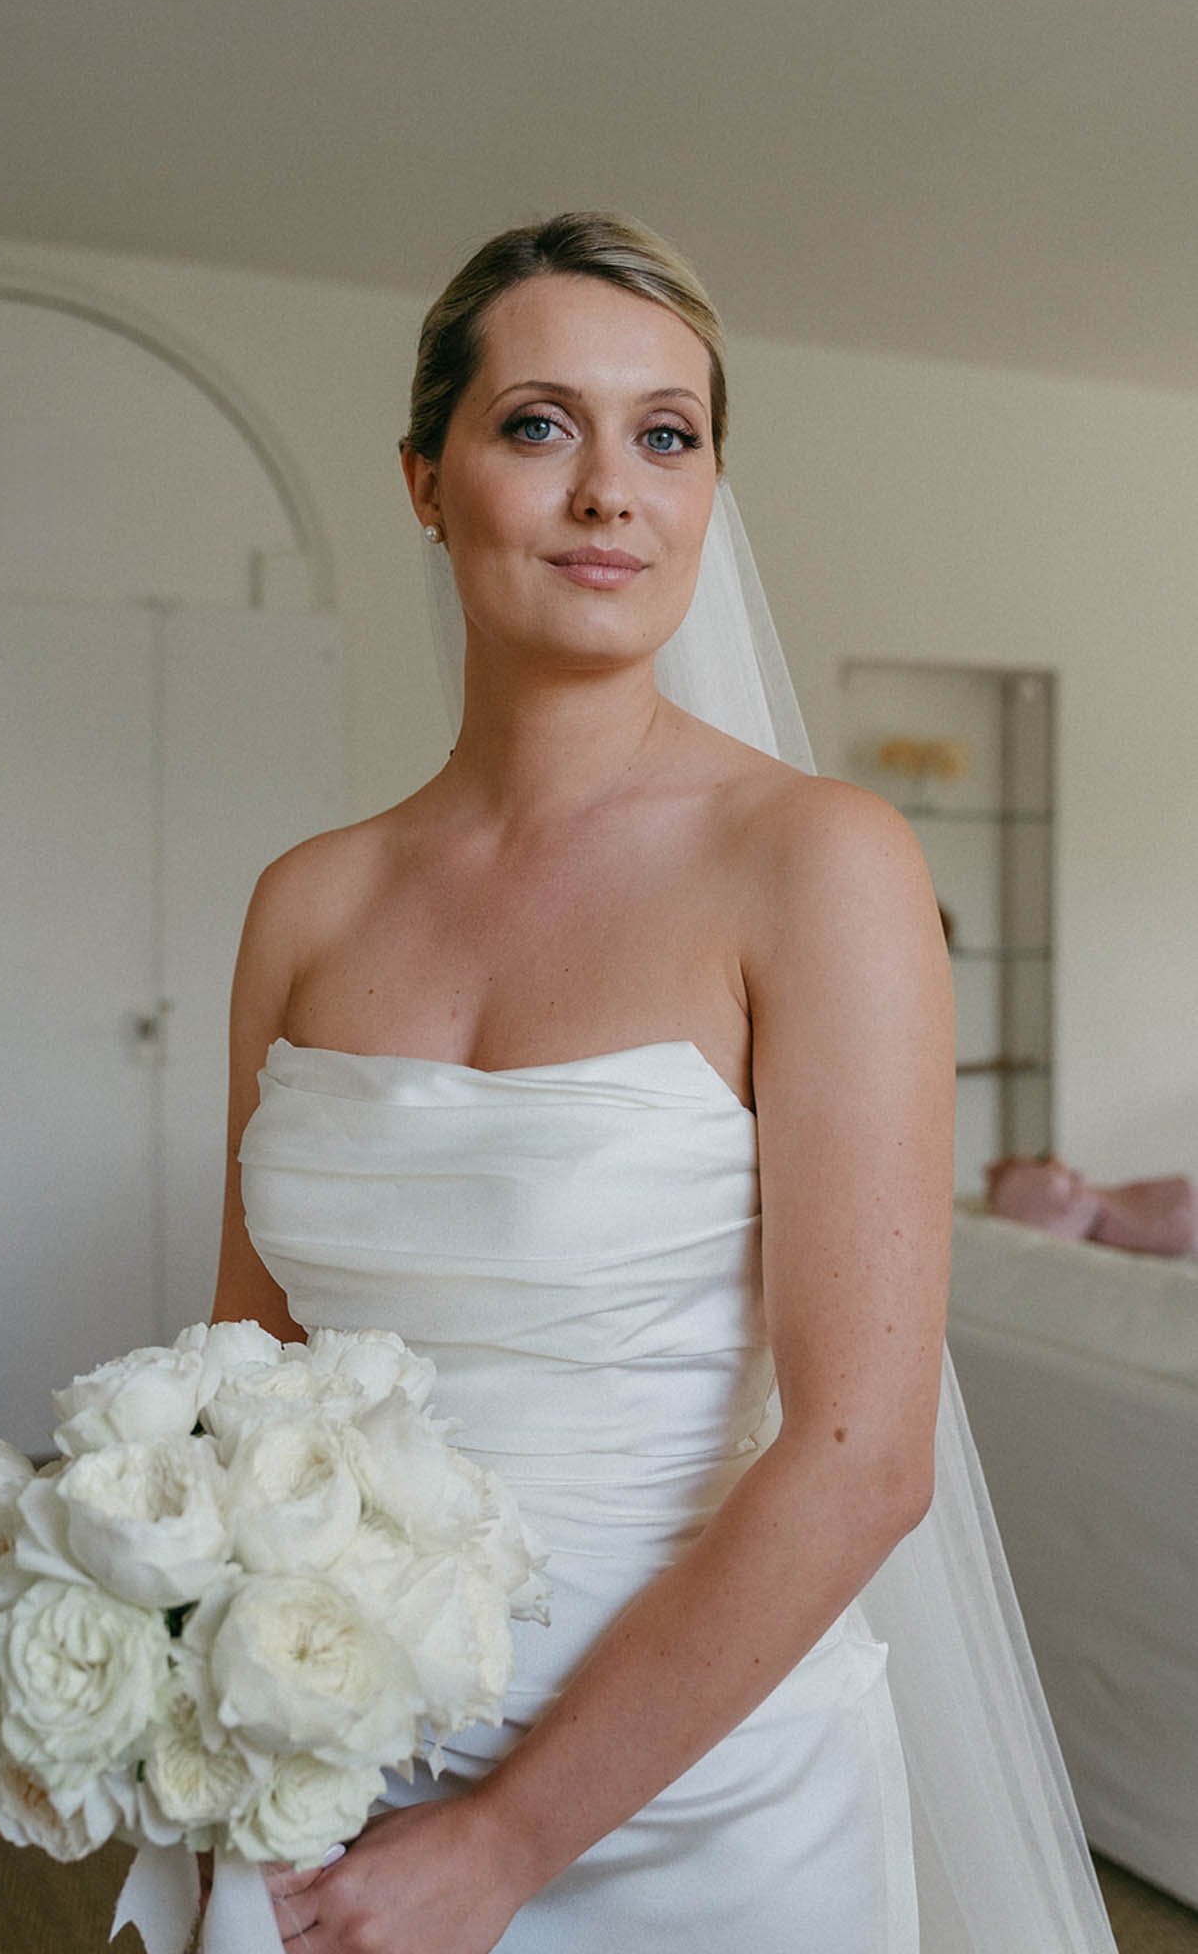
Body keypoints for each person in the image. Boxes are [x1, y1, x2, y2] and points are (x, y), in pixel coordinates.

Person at [208, 214, 1117, 1953]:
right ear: (425, 476)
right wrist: (206, 1705)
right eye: (539, 423)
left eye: (667, 434)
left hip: (691, 1804)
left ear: (708, 491)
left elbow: (861, 1455)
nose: (609, 489)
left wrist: (500, 1846)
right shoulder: (306, 902)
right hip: (326, 1758)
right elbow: (245, 1376)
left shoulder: (816, 863)